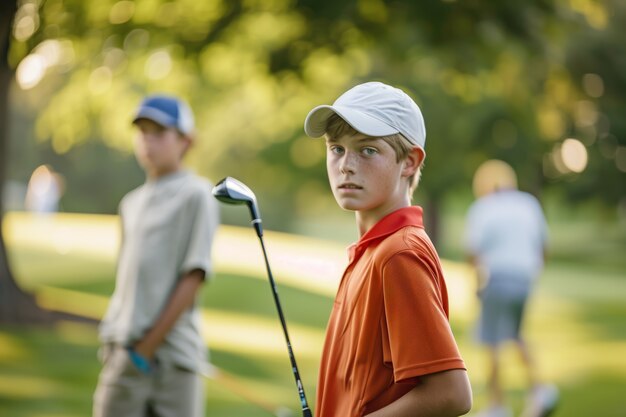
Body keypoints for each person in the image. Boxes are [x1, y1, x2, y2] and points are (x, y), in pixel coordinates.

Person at [303, 81, 473, 417]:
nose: (345, 165)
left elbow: (451, 393)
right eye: (336, 148)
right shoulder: (373, 251)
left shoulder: (399, 255)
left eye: (367, 150)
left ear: (409, 162)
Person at [93, 94, 219, 417]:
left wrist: (147, 348)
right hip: (125, 349)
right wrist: (127, 348)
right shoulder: (130, 203)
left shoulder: (196, 194)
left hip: (174, 359)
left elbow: (194, 274)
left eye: (159, 133)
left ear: (185, 141)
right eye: (143, 132)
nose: (148, 141)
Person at [464, 160, 558, 417]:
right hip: (524, 280)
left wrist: (476, 284)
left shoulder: (482, 208)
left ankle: (497, 406)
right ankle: (541, 390)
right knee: (516, 335)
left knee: (491, 341)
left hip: (497, 278)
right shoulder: (528, 203)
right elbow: (544, 246)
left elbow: (473, 252)